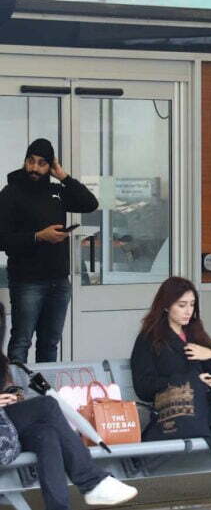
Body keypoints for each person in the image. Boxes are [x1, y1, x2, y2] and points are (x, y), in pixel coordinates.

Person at [130, 277, 211, 510]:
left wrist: (209, 356)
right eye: (182, 305)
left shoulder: (196, 334)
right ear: (165, 305)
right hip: (180, 411)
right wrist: (192, 382)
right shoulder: (149, 339)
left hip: (210, 405)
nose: (188, 311)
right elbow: (143, 387)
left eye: (192, 305)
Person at [0, 304, 137, 510]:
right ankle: (92, 481)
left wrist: (12, 396)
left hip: (6, 430)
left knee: (46, 435)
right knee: (47, 405)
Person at [0, 139, 98, 363]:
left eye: (42, 164)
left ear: (50, 166)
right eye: (31, 162)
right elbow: (2, 239)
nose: (35, 168)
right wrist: (38, 236)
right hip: (27, 282)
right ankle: (18, 396)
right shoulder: (11, 193)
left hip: (59, 281)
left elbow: (90, 203)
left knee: (50, 343)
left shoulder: (57, 191)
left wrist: (63, 176)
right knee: (21, 342)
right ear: (25, 161)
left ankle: (45, 396)